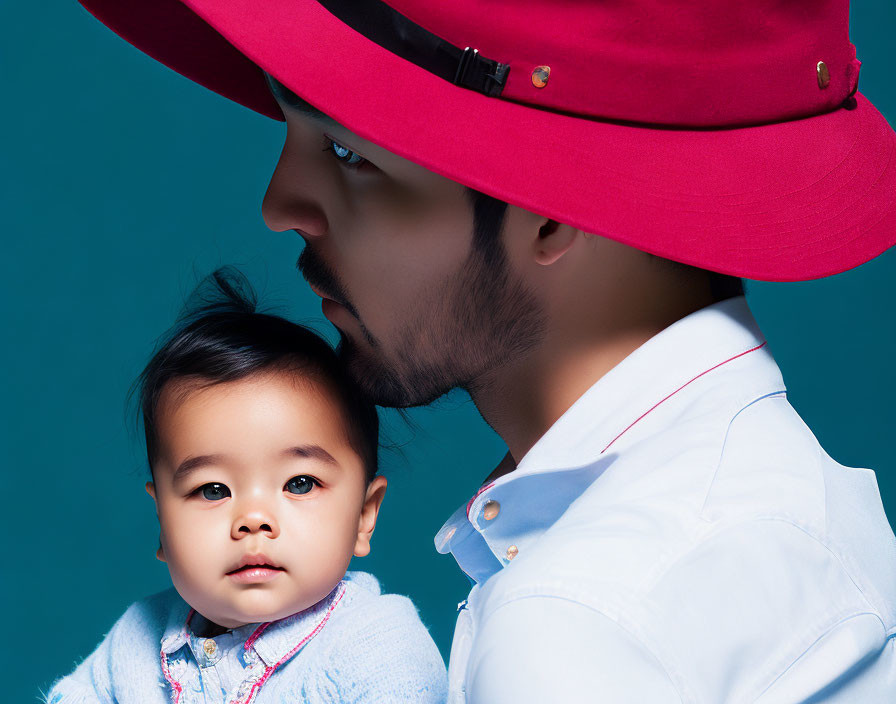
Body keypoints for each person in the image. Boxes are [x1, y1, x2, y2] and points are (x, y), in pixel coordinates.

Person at [77, 1, 896, 701]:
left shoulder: (575, 620)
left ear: (551, 212)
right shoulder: (795, 489)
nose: (279, 204)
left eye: (350, 155)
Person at [45, 270, 447, 703]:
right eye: (213, 490)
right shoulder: (134, 644)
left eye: (300, 483)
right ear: (162, 520)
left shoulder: (375, 644)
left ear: (364, 516)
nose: (253, 520)